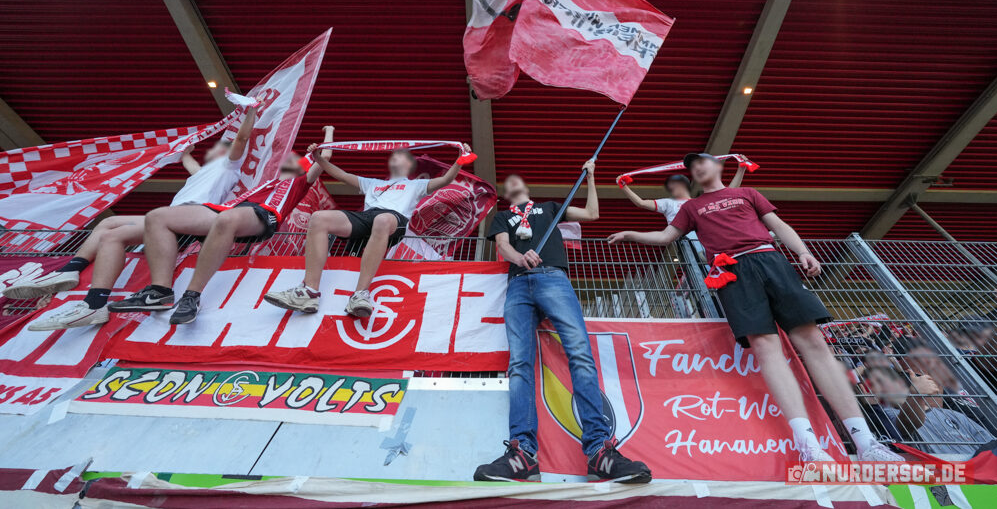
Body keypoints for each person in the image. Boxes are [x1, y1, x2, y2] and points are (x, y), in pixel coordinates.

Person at [607, 152, 903, 463]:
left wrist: (802, 251)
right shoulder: (690, 207)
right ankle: (809, 448)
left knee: (813, 341)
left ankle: (866, 443)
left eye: (703, 161)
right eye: (692, 166)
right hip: (731, 272)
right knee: (765, 347)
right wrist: (631, 234)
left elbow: (777, 223)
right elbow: (667, 236)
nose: (697, 167)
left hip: (770, 259)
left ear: (720, 165)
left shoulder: (747, 193)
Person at [474, 162, 652, 483]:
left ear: (526, 187)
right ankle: (523, 454)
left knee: (580, 354)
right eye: (507, 181)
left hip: (554, 278)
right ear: (505, 192)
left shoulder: (549, 208)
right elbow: (502, 245)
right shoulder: (502, 216)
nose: (513, 180)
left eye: (518, 177)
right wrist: (519, 257)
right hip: (518, 283)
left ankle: (599, 450)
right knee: (519, 365)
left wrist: (592, 177)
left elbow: (593, 214)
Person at [19, 104, 261, 331]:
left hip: (193, 215)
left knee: (134, 225)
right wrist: (185, 151)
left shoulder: (231, 166)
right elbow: (188, 163)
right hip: (169, 218)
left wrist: (250, 110)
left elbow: (241, 138)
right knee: (109, 227)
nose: (219, 148)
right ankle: (78, 280)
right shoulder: (203, 173)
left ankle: (137, 295)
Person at [107, 126, 334, 325]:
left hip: (264, 216)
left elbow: (325, 157)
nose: (290, 164)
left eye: (297, 162)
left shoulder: (303, 180)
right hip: (228, 210)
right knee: (157, 216)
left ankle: (191, 296)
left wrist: (326, 136)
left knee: (228, 219)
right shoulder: (267, 181)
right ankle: (159, 291)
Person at [263, 140, 471, 318]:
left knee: (381, 220)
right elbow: (342, 175)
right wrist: (319, 158)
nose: (395, 159)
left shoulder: (416, 185)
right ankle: (308, 291)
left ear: (409, 165)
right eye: (393, 157)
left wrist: (459, 159)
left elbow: (445, 180)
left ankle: (360, 294)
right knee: (319, 218)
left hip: (393, 219)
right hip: (367, 217)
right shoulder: (373, 183)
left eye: (401, 157)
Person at [866, 366, 993, 456]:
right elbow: (907, 424)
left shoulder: (952, 414)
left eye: (880, 383)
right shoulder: (887, 415)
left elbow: (990, 444)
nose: (877, 389)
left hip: (984, 477)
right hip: (948, 480)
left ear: (901, 383)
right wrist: (916, 395)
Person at [620, 164, 747, 253]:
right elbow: (641, 203)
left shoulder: (699, 201)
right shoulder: (668, 202)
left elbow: (728, 194)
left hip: (707, 238)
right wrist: (624, 187)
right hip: (685, 239)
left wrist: (741, 169)